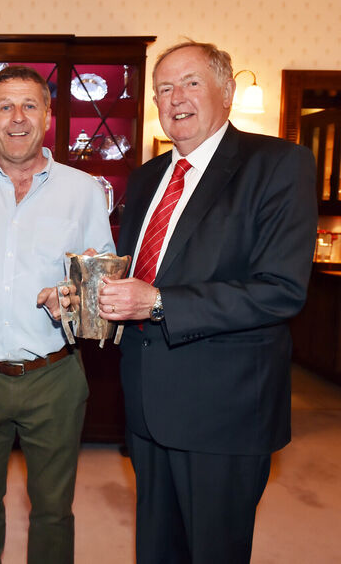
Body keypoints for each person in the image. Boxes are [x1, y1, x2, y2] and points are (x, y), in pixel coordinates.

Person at [50, 40, 317, 563]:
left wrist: (158, 303)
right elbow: (137, 276)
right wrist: (83, 293)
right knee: (157, 549)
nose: (176, 98)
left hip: (224, 410)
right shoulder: (149, 177)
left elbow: (279, 290)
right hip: (149, 404)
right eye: (163, 89)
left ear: (227, 91)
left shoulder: (279, 164)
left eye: (191, 83)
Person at [0, 66, 114, 564]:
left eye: (29, 106)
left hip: (54, 376)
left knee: (53, 510)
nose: (17, 118)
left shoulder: (85, 190)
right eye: (5, 106)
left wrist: (74, 295)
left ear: (46, 116)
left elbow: (101, 280)